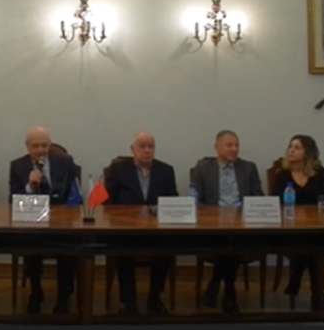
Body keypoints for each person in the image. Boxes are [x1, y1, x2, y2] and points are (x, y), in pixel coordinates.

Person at [105, 131, 178, 314]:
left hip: (156, 230)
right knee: (121, 247)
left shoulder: (166, 171)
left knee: (167, 246)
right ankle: (129, 301)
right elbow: (108, 202)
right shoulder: (118, 170)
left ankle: (155, 297)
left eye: (150, 146)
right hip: (126, 229)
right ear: (133, 149)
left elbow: (172, 202)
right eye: (142, 146)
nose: (147, 150)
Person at [192, 129, 264, 313]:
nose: (234, 149)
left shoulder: (248, 168)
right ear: (216, 147)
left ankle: (216, 283)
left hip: (242, 224)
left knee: (233, 241)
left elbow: (258, 197)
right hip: (213, 225)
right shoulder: (203, 168)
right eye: (229, 145)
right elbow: (196, 199)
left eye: (236, 145)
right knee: (227, 242)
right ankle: (230, 290)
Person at [8, 126, 78, 315]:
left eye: (44, 145)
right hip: (33, 221)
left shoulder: (65, 163)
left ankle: (64, 296)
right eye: (35, 146)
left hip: (61, 222)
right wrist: (30, 187)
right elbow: (12, 200)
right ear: (27, 146)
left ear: (50, 145)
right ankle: (36, 292)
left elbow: (73, 194)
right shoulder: (18, 166)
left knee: (70, 246)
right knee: (31, 244)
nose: (40, 150)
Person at [272, 134, 324, 304]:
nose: (291, 150)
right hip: (289, 228)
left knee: (311, 242)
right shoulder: (282, 175)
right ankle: (318, 295)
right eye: (290, 146)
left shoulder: (320, 174)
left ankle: (296, 282)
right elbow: (274, 204)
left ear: (307, 153)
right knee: (309, 245)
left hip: (316, 228)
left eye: (297, 147)